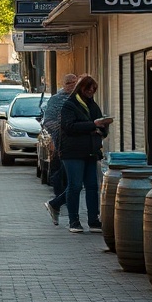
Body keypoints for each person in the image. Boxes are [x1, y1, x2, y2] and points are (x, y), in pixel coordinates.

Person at [45, 74, 112, 234]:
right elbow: (69, 126)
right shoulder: (69, 105)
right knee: (74, 185)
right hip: (72, 152)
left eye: (93, 90)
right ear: (80, 89)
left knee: (92, 186)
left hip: (91, 151)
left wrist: (102, 127)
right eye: (87, 89)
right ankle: (73, 220)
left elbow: (100, 125)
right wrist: (92, 125)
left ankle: (93, 220)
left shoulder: (92, 105)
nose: (90, 92)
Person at [41, 73, 79, 224]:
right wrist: (60, 133)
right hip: (61, 143)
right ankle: (60, 200)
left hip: (78, 144)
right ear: (64, 84)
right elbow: (48, 121)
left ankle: (61, 201)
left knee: (72, 177)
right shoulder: (56, 99)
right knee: (61, 174)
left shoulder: (80, 99)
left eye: (75, 83)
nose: (72, 85)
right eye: (69, 83)